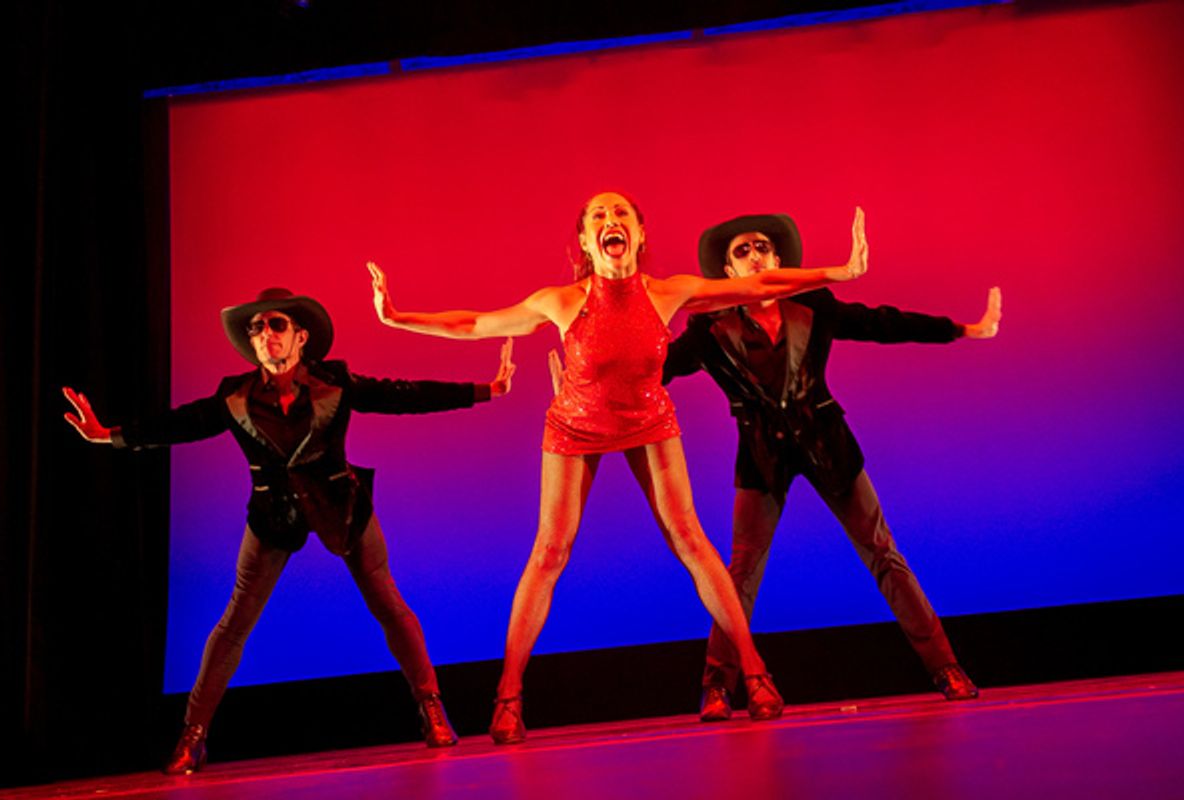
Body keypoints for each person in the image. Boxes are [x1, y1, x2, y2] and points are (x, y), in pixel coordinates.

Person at [366, 191, 867, 743]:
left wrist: (838, 272)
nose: (611, 221)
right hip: (575, 428)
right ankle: (508, 697)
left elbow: (754, 285)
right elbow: (476, 324)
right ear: (585, 242)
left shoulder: (667, 293)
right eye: (598, 216)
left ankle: (756, 673)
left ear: (639, 234)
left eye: (621, 213)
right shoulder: (562, 301)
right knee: (550, 551)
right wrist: (398, 318)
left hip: (649, 421)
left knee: (692, 540)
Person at [63, 287, 516, 773]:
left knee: (389, 605)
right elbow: (180, 423)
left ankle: (431, 707)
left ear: (301, 337)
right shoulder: (233, 396)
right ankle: (193, 735)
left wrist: (484, 390)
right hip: (272, 514)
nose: (264, 335)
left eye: (275, 325)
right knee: (234, 623)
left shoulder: (335, 381)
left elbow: (401, 395)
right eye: (256, 329)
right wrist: (108, 435)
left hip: (340, 505)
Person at [660, 213, 1001, 721]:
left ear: (779, 261)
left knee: (883, 553)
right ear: (728, 271)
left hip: (829, 445)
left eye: (764, 247)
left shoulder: (813, 304)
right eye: (742, 251)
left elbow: (880, 322)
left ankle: (946, 668)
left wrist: (963, 329)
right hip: (761, 457)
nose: (756, 255)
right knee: (739, 574)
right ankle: (716, 686)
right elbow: (653, 367)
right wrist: (590, 386)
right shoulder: (709, 329)